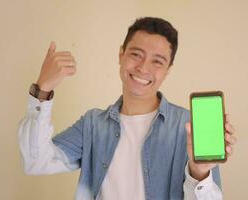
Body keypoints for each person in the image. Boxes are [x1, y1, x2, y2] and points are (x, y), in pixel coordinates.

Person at [18, 17, 236, 200]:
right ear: (121, 54)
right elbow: (36, 162)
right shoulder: (93, 124)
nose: (143, 68)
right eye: (136, 54)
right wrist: (42, 91)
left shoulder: (189, 127)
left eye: (157, 61)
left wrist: (199, 172)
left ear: (167, 70)